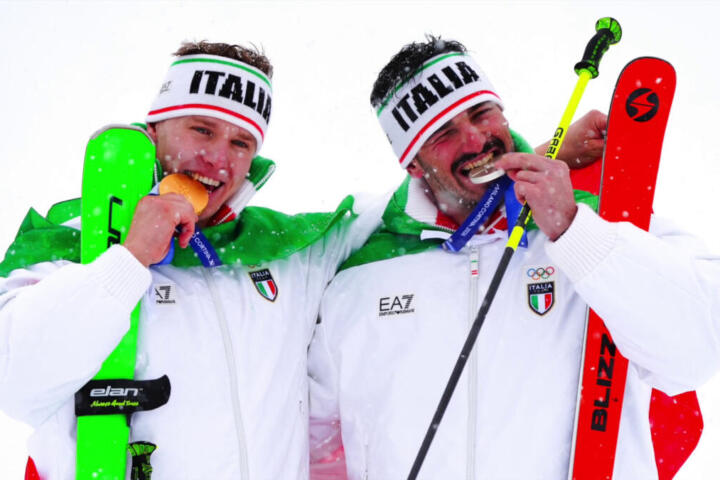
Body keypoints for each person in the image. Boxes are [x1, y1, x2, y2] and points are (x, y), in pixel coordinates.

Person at [308, 37, 720, 479]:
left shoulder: (601, 220)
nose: (475, 139)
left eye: (481, 113)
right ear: (412, 163)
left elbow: (697, 351)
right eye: (444, 133)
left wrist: (573, 230)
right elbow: (314, 445)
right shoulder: (362, 276)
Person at [0, 41, 382, 479]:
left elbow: (396, 215)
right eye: (202, 129)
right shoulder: (72, 238)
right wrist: (129, 259)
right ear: (153, 131)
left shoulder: (288, 251)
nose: (218, 159)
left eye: (240, 142)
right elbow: (14, 381)